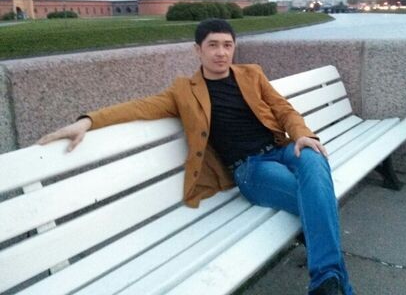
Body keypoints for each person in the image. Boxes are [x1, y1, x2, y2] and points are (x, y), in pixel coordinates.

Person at [38, 18, 354, 295]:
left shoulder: (252, 74)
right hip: (252, 169)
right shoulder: (183, 91)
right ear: (197, 50)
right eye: (213, 45)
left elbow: (283, 110)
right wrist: (88, 120)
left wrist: (301, 134)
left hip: (284, 148)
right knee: (315, 195)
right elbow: (138, 107)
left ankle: (326, 282)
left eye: (227, 45)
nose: (221, 52)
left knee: (314, 157)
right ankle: (330, 281)